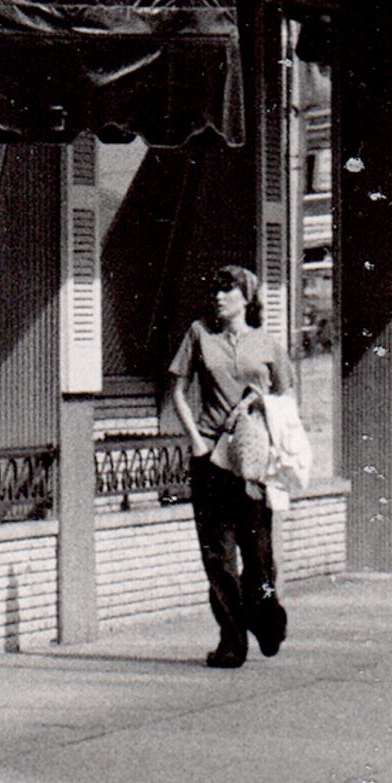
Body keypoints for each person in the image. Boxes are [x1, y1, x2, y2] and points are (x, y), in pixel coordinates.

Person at [168, 264, 293, 669]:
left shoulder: (268, 344)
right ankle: (231, 642)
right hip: (211, 460)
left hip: (252, 462)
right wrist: (196, 441)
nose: (218, 297)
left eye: (227, 291)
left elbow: (287, 402)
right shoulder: (199, 335)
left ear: (246, 298)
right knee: (217, 557)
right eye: (215, 290)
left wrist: (261, 403)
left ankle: (265, 616)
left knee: (257, 555)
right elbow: (178, 392)